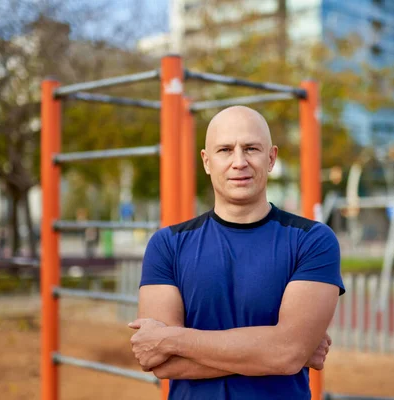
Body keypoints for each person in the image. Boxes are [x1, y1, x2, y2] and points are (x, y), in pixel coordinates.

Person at [129, 106, 345, 400]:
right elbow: (163, 363)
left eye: (251, 148)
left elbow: (287, 354)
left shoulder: (312, 240)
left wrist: (170, 339)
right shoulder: (167, 244)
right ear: (207, 161)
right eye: (225, 150)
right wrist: (273, 352)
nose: (239, 162)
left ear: (271, 158)